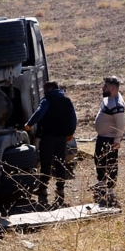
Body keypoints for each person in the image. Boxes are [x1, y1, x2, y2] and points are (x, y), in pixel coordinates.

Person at [24, 81, 78, 209]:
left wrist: (29, 124)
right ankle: (60, 189)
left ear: (49, 88)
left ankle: (43, 188)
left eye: (45, 88)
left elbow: (39, 113)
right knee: (60, 162)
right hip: (62, 137)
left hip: (48, 137)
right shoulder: (67, 100)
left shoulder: (47, 100)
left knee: (46, 162)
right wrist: (71, 132)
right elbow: (73, 118)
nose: (44, 91)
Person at [94, 75, 125, 206]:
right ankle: (101, 183)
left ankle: (111, 190)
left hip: (110, 139)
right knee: (98, 159)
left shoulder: (118, 105)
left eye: (105, 86)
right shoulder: (108, 98)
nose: (103, 87)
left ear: (112, 89)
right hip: (102, 137)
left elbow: (121, 124)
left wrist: (117, 140)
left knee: (111, 164)